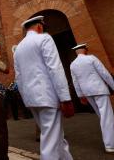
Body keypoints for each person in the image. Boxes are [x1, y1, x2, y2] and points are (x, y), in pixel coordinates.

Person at [14, 15, 74, 160]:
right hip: (47, 96)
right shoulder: (44, 38)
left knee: (55, 137)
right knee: (50, 143)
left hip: (31, 98)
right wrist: (65, 97)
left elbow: (19, 77)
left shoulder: (18, 48)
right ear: (40, 26)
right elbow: (55, 68)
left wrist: (26, 99)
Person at [70, 43, 114, 153]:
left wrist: (80, 95)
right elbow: (104, 73)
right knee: (106, 117)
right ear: (85, 50)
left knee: (102, 116)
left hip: (87, 92)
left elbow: (75, 81)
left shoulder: (73, 64)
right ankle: (110, 145)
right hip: (99, 90)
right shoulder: (91, 58)